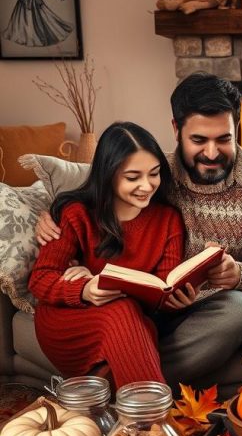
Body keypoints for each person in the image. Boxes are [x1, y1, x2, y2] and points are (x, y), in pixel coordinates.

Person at [37, 74, 242, 392]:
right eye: (199, 140)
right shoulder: (156, 171)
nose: (212, 153)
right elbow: (96, 188)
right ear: (176, 129)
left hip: (201, 313)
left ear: (237, 129)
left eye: (223, 139)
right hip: (134, 309)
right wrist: (51, 212)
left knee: (240, 308)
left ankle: (118, 383)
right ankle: (140, 384)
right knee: (125, 314)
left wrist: (239, 275)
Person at [29, 122, 186, 390]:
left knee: (137, 321)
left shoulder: (168, 219)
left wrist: (176, 299)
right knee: (127, 315)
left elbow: (161, 289)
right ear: (109, 174)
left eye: (154, 174)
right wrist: (83, 289)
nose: (147, 186)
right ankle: (154, 424)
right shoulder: (77, 213)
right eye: (133, 177)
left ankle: (119, 410)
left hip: (129, 321)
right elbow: (40, 279)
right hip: (67, 320)